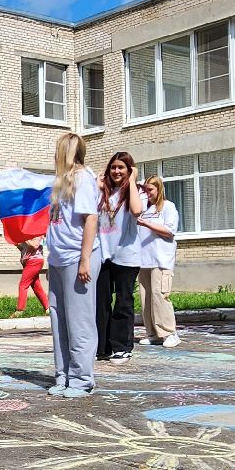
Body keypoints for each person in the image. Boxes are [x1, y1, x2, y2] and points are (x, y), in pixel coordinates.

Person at [44, 132, 100, 397]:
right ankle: (63, 375)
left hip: (77, 258)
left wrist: (85, 259)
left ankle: (82, 379)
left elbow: (91, 219)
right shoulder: (60, 182)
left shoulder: (84, 179)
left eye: (57, 151)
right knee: (58, 318)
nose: (54, 155)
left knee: (79, 321)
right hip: (57, 258)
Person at [93, 151, 145, 364]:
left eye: (121, 167)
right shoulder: (103, 192)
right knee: (101, 302)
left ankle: (122, 346)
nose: (116, 171)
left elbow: (136, 210)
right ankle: (102, 346)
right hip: (103, 254)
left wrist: (132, 181)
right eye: (113, 167)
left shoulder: (135, 191)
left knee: (123, 302)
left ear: (129, 170)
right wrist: (96, 187)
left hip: (127, 255)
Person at [136, 175, 182, 349]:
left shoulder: (168, 207)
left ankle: (170, 332)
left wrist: (146, 224)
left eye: (151, 190)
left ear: (159, 189)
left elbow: (170, 231)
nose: (148, 194)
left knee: (160, 295)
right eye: (145, 190)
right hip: (144, 260)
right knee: (146, 297)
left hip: (161, 259)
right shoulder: (145, 209)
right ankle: (153, 333)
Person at [15, 236, 48, 315]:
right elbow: (24, 249)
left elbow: (35, 245)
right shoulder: (26, 233)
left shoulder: (35, 233)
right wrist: (17, 244)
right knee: (36, 286)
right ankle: (48, 308)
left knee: (23, 285)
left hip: (34, 261)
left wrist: (24, 238)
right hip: (29, 262)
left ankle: (20, 310)